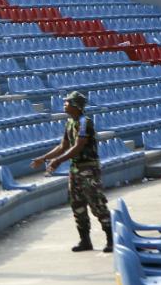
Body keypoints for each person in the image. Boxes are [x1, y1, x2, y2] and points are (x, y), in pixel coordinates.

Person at [30, 91, 112, 253]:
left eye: (67, 102)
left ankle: (111, 239)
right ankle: (85, 240)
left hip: (88, 168)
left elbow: (78, 146)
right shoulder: (70, 122)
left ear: (76, 105)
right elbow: (63, 146)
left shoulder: (84, 123)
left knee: (97, 203)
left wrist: (58, 161)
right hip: (75, 169)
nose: (64, 105)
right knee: (77, 204)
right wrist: (44, 158)